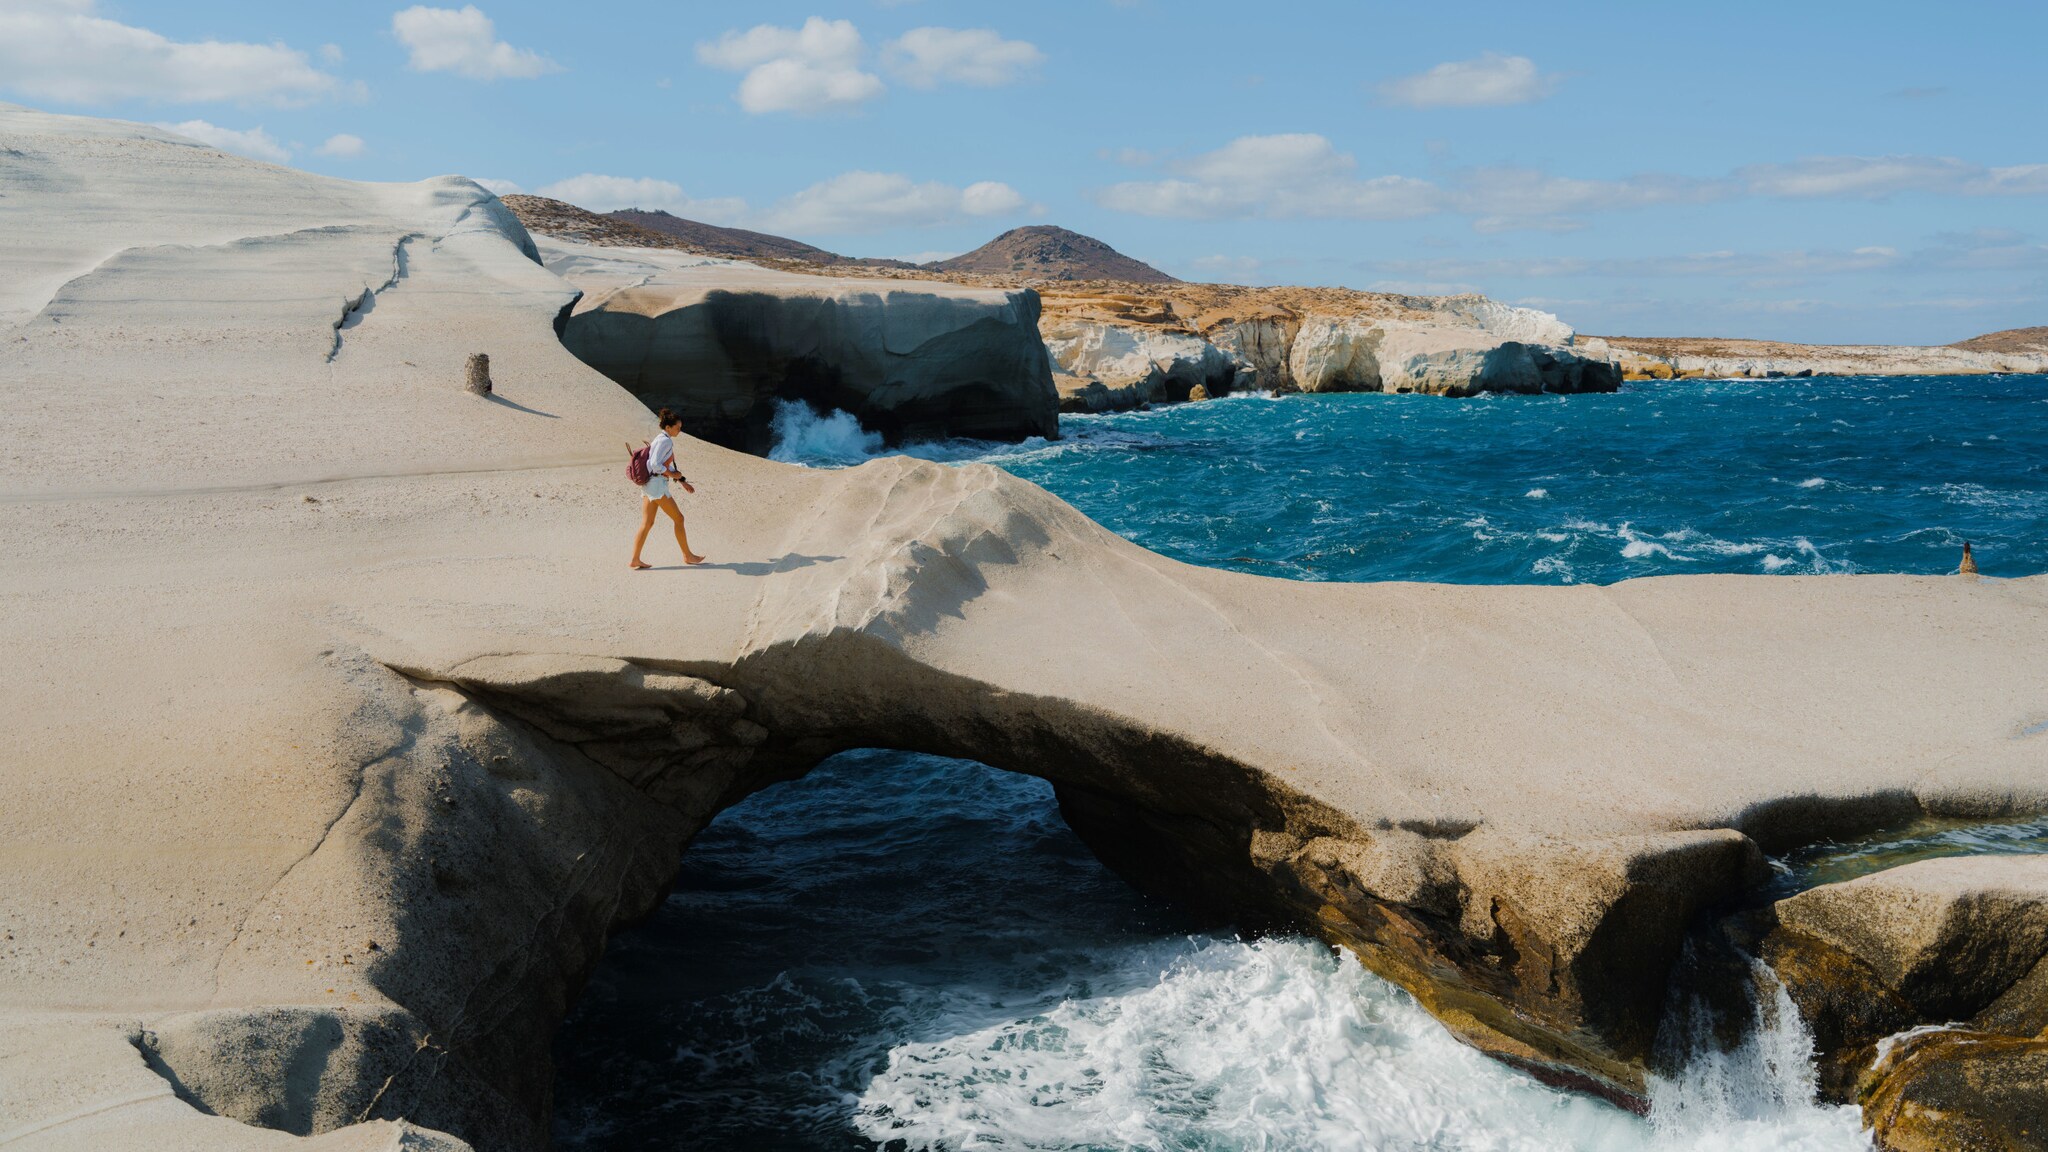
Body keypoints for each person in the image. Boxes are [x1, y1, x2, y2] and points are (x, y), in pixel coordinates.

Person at [630, 409, 706, 569]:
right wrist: (672, 474)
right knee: (679, 519)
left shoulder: (660, 438)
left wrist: (682, 480)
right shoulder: (666, 441)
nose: (680, 430)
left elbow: (662, 463)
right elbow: (655, 465)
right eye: (678, 427)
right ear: (669, 427)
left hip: (650, 485)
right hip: (657, 486)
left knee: (647, 523)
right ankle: (688, 555)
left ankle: (635, 559)